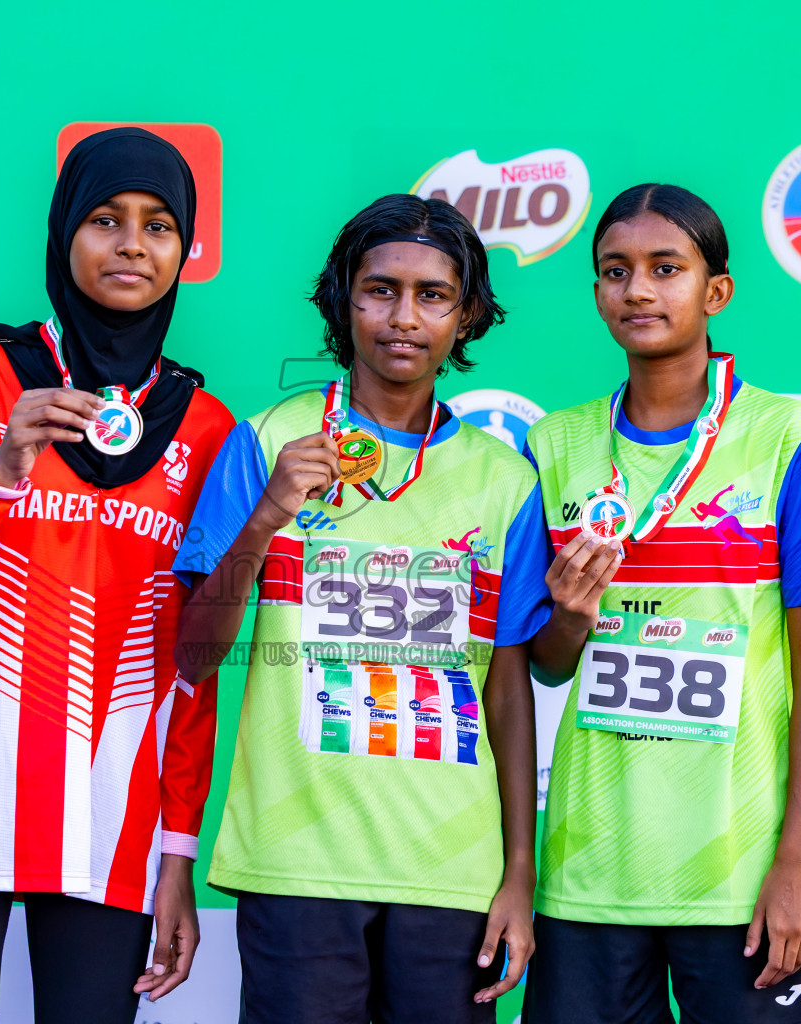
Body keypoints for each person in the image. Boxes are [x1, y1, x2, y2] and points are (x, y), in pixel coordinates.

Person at [0, 127, 235, 1024]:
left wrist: (178, 851)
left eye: (158, 226)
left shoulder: (206, 425)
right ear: (65, 231)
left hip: (111, 826)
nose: (131, 246)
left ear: (184, 250)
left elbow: (189, 667)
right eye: (106, 220)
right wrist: (0, 470)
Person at [172, 193, 552, 1024]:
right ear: (344, 298)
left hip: (450, 872)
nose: (403, 317)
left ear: (468, 312)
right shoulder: (268, 440)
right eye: (380, 290)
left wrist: (518, 873)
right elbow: (193, 658)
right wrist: (269, 513)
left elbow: (509, 693)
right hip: (296, 864)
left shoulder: (506, 482)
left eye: (433, 295)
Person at [522, 183, 801, 1024]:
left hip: (739, 876)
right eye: (614, 271)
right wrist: (567, 615)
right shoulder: (554, 445)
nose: (637, 290)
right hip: (589, 875)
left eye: (665, 269)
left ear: (716, 293)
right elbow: (548, 663)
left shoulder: (790, 438)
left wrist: (795, 861)